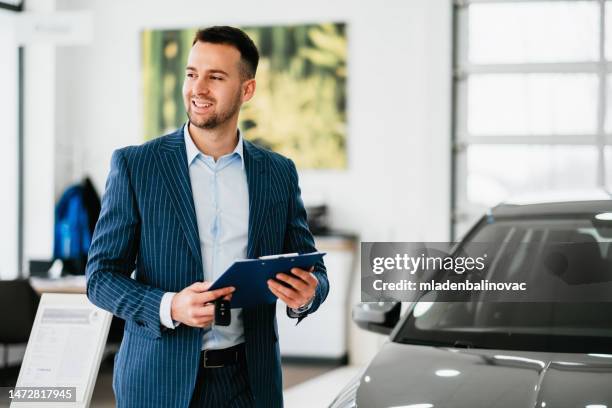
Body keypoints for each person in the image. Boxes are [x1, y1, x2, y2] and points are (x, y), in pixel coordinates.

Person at [85, 26, 329, 408]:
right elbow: (100, 277)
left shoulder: (278, 173)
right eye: (191, 73)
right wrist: (170, 306)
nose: (198, 88)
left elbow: (311, 269)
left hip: (249, 384)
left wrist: (306, 296)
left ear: (246, 90)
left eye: (215, 77)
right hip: (156, 382)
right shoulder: (137, 166)